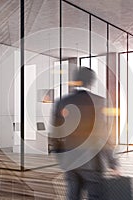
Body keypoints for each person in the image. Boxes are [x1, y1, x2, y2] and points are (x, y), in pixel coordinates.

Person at [50, 67, 119, 200]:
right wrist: (113, 163)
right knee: (95, 196)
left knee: (73, 195)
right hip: (92, 162)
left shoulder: (62, 102)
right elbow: (103, 135)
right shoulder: (99, 102)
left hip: (69, 160)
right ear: (91, 82)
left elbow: (55, 134)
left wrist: (61, 157)